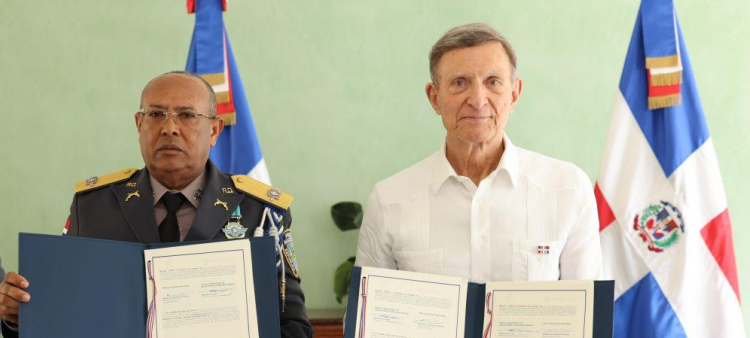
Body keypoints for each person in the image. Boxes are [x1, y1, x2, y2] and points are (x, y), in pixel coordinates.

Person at [0, 71, 312, 338]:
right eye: (156, 114)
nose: (169, 127)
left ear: (215, 130)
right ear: (139, 123)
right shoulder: (93, 206)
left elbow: (293, 326)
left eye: (187, 115)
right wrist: (17, 316)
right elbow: (65, 314)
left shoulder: (262, 212)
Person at [355, 23, 603, 282]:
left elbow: (589, 316)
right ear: (434, 98)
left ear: (514, 94)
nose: (477, 99)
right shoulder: (389, 200)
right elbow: (367, 319)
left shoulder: (568, 188)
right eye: (459, 83)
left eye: (493, 82)